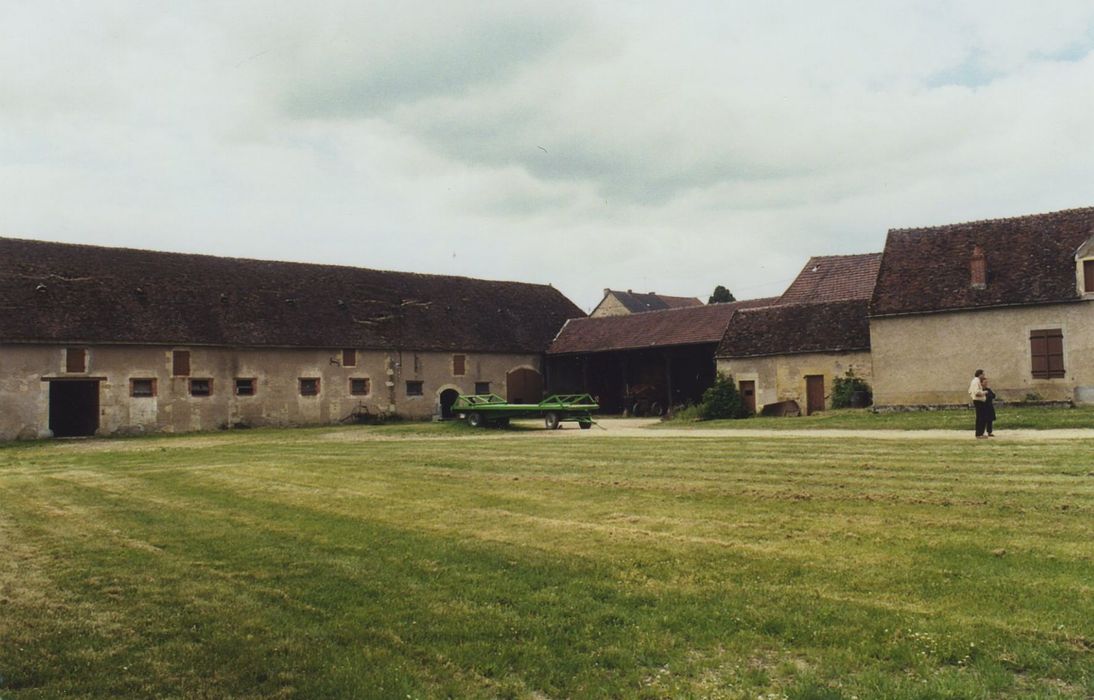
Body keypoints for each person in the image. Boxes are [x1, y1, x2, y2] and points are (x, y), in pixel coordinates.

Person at [968, 369, 988, 438]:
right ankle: (979, 434)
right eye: (983, 374)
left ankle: (981, 433)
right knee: (980, 417)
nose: (984, 376)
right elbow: (976, 392)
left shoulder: (975, 381)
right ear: (980, 374)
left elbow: (970, 391)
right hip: (979, 401)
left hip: (979, 401)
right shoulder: (976, 382)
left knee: (982, 417)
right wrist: (984, 392)